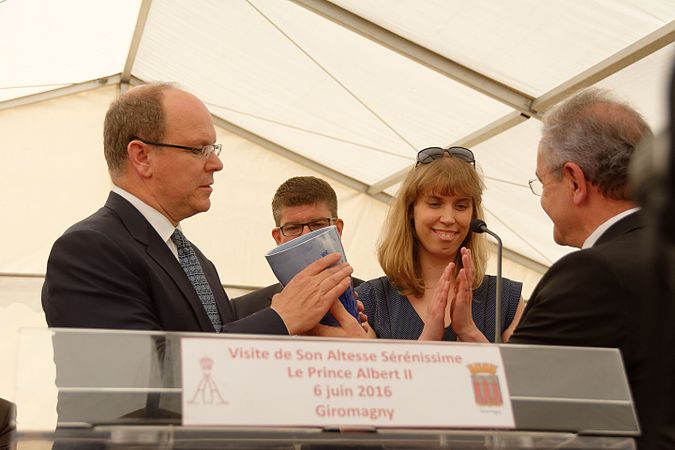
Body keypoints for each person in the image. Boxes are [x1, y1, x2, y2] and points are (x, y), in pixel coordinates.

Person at [41, 83, 359, 336]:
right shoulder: (90, 249)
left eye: (214, 149)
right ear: (141, 157)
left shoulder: (194, 260)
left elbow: (217, 352)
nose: (216, 164)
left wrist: (301, 328)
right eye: (198, 149)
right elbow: (136, 382)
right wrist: (280, 319)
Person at [452, 88, 663, 449]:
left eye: (543, 183)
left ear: (575, 181)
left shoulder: (592, 275)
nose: (544, 199)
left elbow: (509, 405)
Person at [355, 146, 525, 342]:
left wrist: (469, 331)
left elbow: (520, 373)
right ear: (411, 210)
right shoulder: (370, 300)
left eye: (461, 206)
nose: (448, 218)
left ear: (473, 214)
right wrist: (429, 338)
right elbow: (370, 373)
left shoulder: (505, 298)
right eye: (435, 204)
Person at [232, 176, 363, 319]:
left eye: (318, 224)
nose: (306, 236)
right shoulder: (243, 311)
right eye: (293, 228)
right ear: (278, 238)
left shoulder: (377, 301)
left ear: (337, 230)